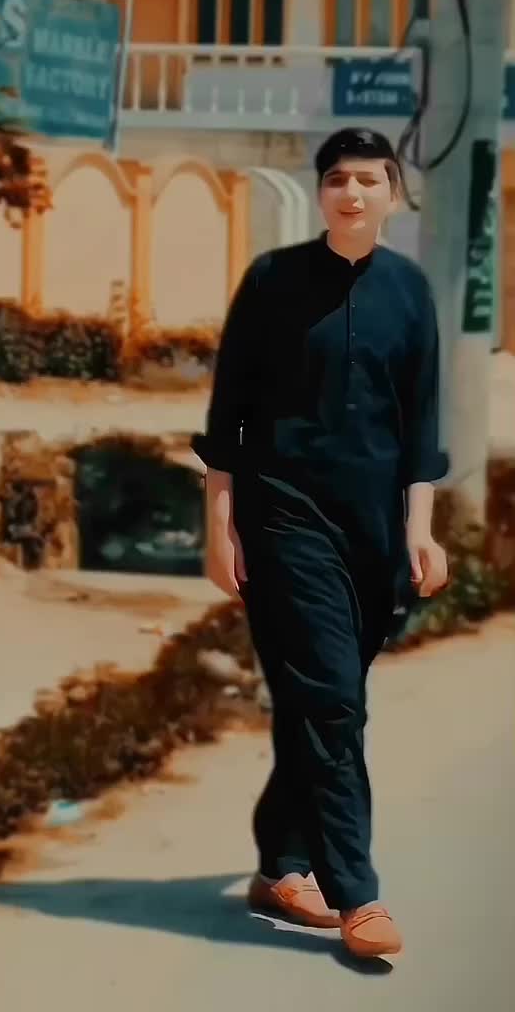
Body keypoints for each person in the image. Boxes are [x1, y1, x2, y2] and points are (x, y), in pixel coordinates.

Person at [191, 127, 449, 960]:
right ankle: (357, 895)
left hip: (373, 530)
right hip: (285, 518)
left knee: (324, 703)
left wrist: (420, 530)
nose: (352, 193)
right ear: (320, 192)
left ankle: (281, 860)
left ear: (393, 194)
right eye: (338, 179)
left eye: (369, 179)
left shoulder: (409, 291)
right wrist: (218, 526)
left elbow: (421, 427)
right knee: (333, 700)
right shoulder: (272, 282)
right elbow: (227, 418)